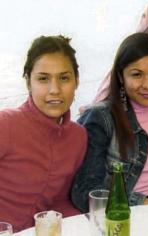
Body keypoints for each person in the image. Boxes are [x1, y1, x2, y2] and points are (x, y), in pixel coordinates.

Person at [71, 33, 148, 212]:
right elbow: (86, 191)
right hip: (119, 223)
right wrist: (141, 204)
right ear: (121, 77)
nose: (147, 85)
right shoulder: (101, 118)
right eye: (137, 75)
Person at [0, 36, 87, 231]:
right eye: (43, 79)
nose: (55, 90)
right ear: (28, 83)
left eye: (64, 78)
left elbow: (59, 202)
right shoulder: (6, 124)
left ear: (77, 81)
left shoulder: (78, 137)